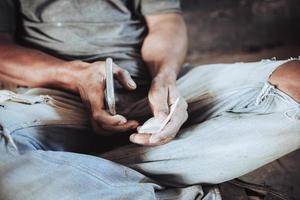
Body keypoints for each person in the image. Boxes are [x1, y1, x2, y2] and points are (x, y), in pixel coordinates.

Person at [0, 0, 299, 199]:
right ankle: (190, 189)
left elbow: (166, 22)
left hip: (151, 82)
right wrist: (74, 75)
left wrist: (165, 78)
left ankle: (81, 172)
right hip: (57, 99)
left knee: (294, 81)